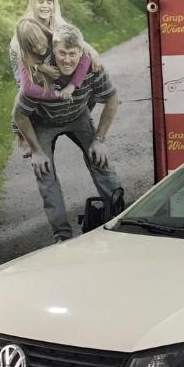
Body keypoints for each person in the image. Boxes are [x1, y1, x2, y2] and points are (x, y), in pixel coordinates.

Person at [12, 23, 122, 243]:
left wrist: (99, 139)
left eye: (72, 54)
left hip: (78, 116)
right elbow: (20, 115)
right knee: (43, 171)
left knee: (100, 159)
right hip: (44, 122)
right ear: (54, 50)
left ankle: (120, 217)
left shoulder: (92, 67)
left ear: (82, 53)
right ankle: (61, 234)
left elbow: (112, 99)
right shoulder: (38, 74)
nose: (67, 60)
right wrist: (36, 150)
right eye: (62, 53)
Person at [8, 0, 102, 157]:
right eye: (40, 1)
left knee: (79, 77)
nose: (45, 6)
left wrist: (93, 53)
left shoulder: (57, 21)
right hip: (27, 61)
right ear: (33, 3)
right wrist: (42, 68)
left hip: (45, 58)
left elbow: (76, 40)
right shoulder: (27, 26)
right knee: (24, 90)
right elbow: (24, 56)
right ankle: (21, 134)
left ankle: (79, 112)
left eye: (49, 1)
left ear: (54, 3)